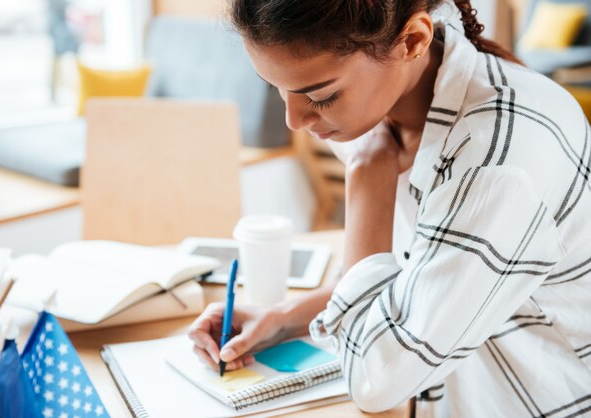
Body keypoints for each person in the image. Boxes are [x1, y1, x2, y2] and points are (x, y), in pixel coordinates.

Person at [188, 0, 591, 416]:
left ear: (413, 40)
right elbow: (419, 272)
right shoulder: (388, 102)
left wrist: (365, 183)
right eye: (276, 86)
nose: (294, 120)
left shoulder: (497, 164)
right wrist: (283, 317)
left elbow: (374, 380)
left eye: (321, 96)